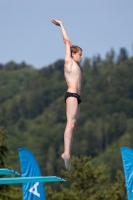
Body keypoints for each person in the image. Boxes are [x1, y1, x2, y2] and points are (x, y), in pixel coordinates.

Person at [51, 18, 83, 170]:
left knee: (74, 124)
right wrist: (62, 25)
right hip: (71, 95)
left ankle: (68, 152)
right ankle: (66, 153)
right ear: (73, 54)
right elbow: (67, 41)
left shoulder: (76, 66)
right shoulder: (68, 62)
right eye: (80, 54)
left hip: (77, 98)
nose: (81, 57)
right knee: (70, 123)